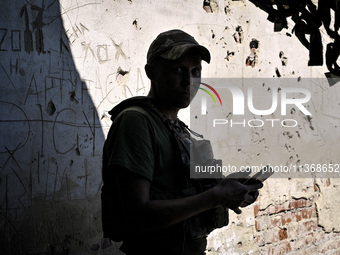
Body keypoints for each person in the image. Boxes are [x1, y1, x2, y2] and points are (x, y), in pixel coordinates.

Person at [101, 29, 263, 255]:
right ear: (151, 73)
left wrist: (230, 190)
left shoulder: (178, 128)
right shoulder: (136, 122)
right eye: (177, 70)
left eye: (195, 71)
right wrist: (214, 196)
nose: (189, 81)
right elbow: (137, 214)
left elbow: (188, 193)